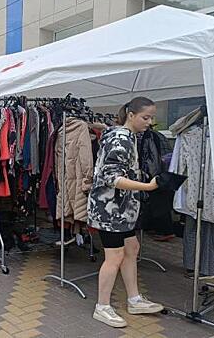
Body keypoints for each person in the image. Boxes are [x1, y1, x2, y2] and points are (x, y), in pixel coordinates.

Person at [88, 97, 163, 328]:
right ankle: (102, 307)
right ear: (131, 114)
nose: (149, 122)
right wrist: (148, 186)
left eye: (151, 118)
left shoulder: (122, 134)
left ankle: (134, 299)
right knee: (115, 256)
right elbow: (112, 178)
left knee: (132, 248)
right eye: (145, 117)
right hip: (110, 210)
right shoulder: (121, 138)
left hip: (121, 210)